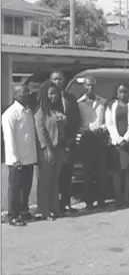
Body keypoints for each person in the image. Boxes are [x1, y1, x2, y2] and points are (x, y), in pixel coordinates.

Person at [2, 84, 37, 226]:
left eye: (28, 91)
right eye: (24, 92)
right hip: (17, 160)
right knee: (15, 188)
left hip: (29, 157)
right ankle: (13, 215)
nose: (28, 93)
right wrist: (14, 159)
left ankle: (24, 211)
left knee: (26, 186)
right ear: (16, 95)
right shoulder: (10, 113)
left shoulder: (28, 111)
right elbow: (9, 139)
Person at [105, 83, 129, 208]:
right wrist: (118, 139)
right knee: (117, 172)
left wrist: (126, 138)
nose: (123, 94)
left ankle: (127, 197)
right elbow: (109, 123)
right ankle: (118, 197)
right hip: (116, 143)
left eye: (125, 92)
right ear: (116, 93)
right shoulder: (111, 105)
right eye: (120, 92)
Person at [35, 81, 67, 220]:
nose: (54, 97)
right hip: (47, 150)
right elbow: (41, 131)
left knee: (55, 180)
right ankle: (45, 211)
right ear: (45, 95)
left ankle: (55, 208)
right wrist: (47, 148)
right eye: (51, 94)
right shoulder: (41, 111)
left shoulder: (58, 110)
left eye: (56, 94)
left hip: (59, 148)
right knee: (45, 181)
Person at [50, 71, 81, 214]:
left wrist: (71, 139)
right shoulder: (48, 100)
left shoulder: (71, 98)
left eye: (60, 79)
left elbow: (76, 120)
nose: (58, 81)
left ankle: (66, 203)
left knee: (67, 174)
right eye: (55, 79)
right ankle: (54, 204)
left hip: (69, 142)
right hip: (55, 143)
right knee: (54, 175)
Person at [77, 76, 108, 210]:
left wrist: (102, 128)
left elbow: (109, 121)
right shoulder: (79, 103)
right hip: (86, 138)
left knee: (101, 170)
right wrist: (84, 131)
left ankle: (101, 199)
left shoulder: (103, 102)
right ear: (84, 86)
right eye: (88, 85)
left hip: (100, 137)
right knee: (87, 171)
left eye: (93, 85)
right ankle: (88, 200)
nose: (90, 88)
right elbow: (77, 123)